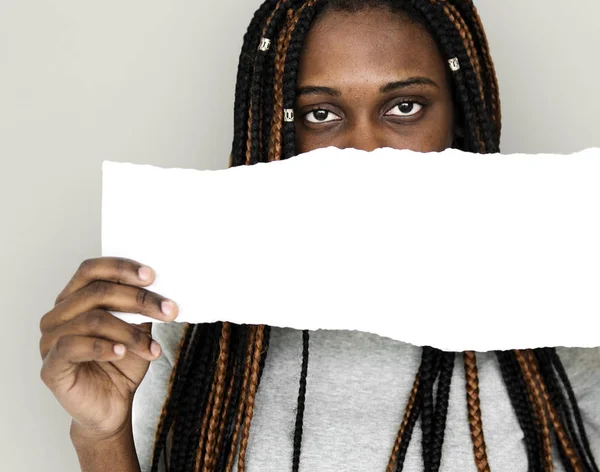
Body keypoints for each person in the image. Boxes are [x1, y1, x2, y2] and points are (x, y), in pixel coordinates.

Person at [39, 0, 600, 471]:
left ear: (457, 116)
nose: (364, 151)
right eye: (321, 115)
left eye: (404, 107)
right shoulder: (190, 319)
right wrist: (101, 435)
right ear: (276, 132)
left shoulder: (562, 300)